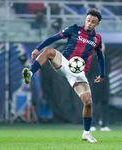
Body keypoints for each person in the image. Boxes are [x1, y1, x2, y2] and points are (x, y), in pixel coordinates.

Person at [22, 8, 104, 143]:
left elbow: (100, 56)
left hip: (78, 73)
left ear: (97, 24)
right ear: (85, 19)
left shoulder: (97, 39)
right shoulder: (74, 29)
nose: (89, 23)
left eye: (93, 22)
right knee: (48, 51)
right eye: (88, 20)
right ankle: (30, 73)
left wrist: (102, 74)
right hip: (64, 63)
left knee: (88, 102)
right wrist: (37, 48)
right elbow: (53, 38)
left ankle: (86, 133)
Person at [87, 43, 111, 131]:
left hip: (105, 85)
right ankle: (92, 125)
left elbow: (108, 71)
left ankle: (104, 125)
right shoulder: (92, 59)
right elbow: (89, 73)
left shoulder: (107, 59)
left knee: (105, 106)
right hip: (95, 85)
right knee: (94, 106)